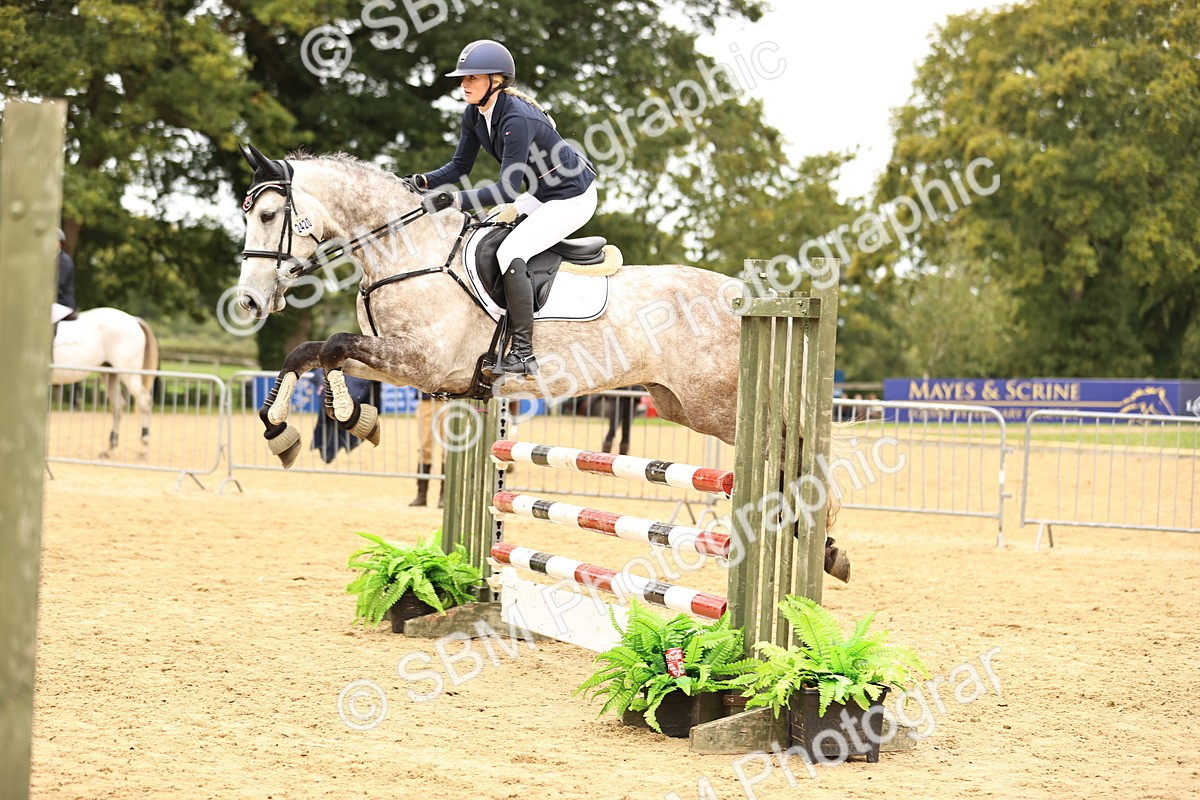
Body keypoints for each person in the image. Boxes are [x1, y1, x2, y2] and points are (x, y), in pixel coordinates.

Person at [406, 39, 598, 378]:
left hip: (572, 197)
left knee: (510, 251)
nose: (464, 84)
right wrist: (422, 181)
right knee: (483, 232)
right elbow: (459, 167)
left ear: (496, 80)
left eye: (472, 78)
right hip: (542, 193)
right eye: (463, 78)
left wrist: (455, 200)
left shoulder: (516, 118)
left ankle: (523, 353)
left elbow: (507, 189)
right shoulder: (474, 114)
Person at [411, 393, 451, 508]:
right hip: (426, 400)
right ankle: (421, 495)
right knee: (424, 448)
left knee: (448, 450)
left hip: (449, 400)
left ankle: (444, 495)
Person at [601, 387, 637, 455]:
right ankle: (604, 455)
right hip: (617, 395)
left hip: (633, 396)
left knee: (626, 429)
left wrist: (637, 390)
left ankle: (623, 457)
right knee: (613, 427)